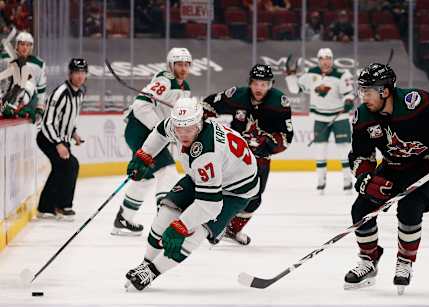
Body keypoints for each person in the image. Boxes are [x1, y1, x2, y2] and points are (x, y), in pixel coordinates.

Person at [344, 63, 429, 294]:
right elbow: (360, 154)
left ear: (385, 91)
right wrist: (365, 179)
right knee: (360, 209)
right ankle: (369, 260)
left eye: (368, 91)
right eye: (361, 91)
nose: (363, 97)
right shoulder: (362, 116)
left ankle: (405, 261)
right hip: (393, 166)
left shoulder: (415, 103)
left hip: (428, 167)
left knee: (410, 208)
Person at [124, 97, 259, 291]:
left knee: (195, 232)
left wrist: (182, 226)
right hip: (203, 175)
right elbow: (161, 131)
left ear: (199, 122)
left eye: (189, 130)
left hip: (235, 190)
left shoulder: (207, 154)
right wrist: (144, 155)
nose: (183, 135)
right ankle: (145, 265)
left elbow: (209, 205)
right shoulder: (182, 122)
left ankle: (153, 272)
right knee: (164, 215)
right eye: (179, 129)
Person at [203, 64, 294, 245]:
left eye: (264, 84)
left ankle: (232, 229)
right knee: (219, 186)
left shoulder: (279, 103)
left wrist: (266, 145)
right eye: (256, 83)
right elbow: (210, 103)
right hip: (234, 152)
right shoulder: (237, 95)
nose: (259, 88)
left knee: (254, 197)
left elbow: (286, 136)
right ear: (250, 83)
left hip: (260, 156)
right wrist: (199, 114)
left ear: (271, 84)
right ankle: (211, 222)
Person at [111, 47, 192, 236]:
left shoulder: (184, 87)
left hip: (151, 132)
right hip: (140, 129)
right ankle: (163, 221)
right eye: (179, 64)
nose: (183, 68)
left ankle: (123, 219)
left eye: (186, 64)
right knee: (167, 171)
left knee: (145, 176)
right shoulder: (165, 80)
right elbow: (141, 106)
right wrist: (161, 129)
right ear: (171, 65)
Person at [285, 48, 354, 194]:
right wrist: (291, 77)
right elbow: (295, 90)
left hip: (339, 117)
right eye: (322, 58)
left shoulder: (342, 74)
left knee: (344, 151)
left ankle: (347, 182)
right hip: (319, 118)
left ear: (332, 59)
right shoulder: (311, 73)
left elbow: (349, 94)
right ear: (318, 60)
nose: (326, 61)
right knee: (320, 151)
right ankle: (321, 183)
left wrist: (348, 101)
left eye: (328, 58)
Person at [36, 58, 88, 220]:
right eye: (76, 72)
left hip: (62, 139)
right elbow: (48, 121)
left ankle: (49, 207)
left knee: (64, 168)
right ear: (70, 74)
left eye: (83, 73)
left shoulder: (80, 93)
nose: (80, 76)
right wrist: (58, 143)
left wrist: (73, 133)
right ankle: (61, 205)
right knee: (69, 165)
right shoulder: (61, 93)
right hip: (48, 138)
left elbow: (69, 117)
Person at [0, 30, 47, 123]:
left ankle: (15, 108)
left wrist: (39, 109)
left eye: (28, 45)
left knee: (29, 85)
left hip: (25, 109)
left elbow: (41, 91)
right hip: (4, 103)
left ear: (31, 47)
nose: (25, 47)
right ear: (16, 45)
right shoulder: (4, 59)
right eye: (22, 44)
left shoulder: (39, 64)